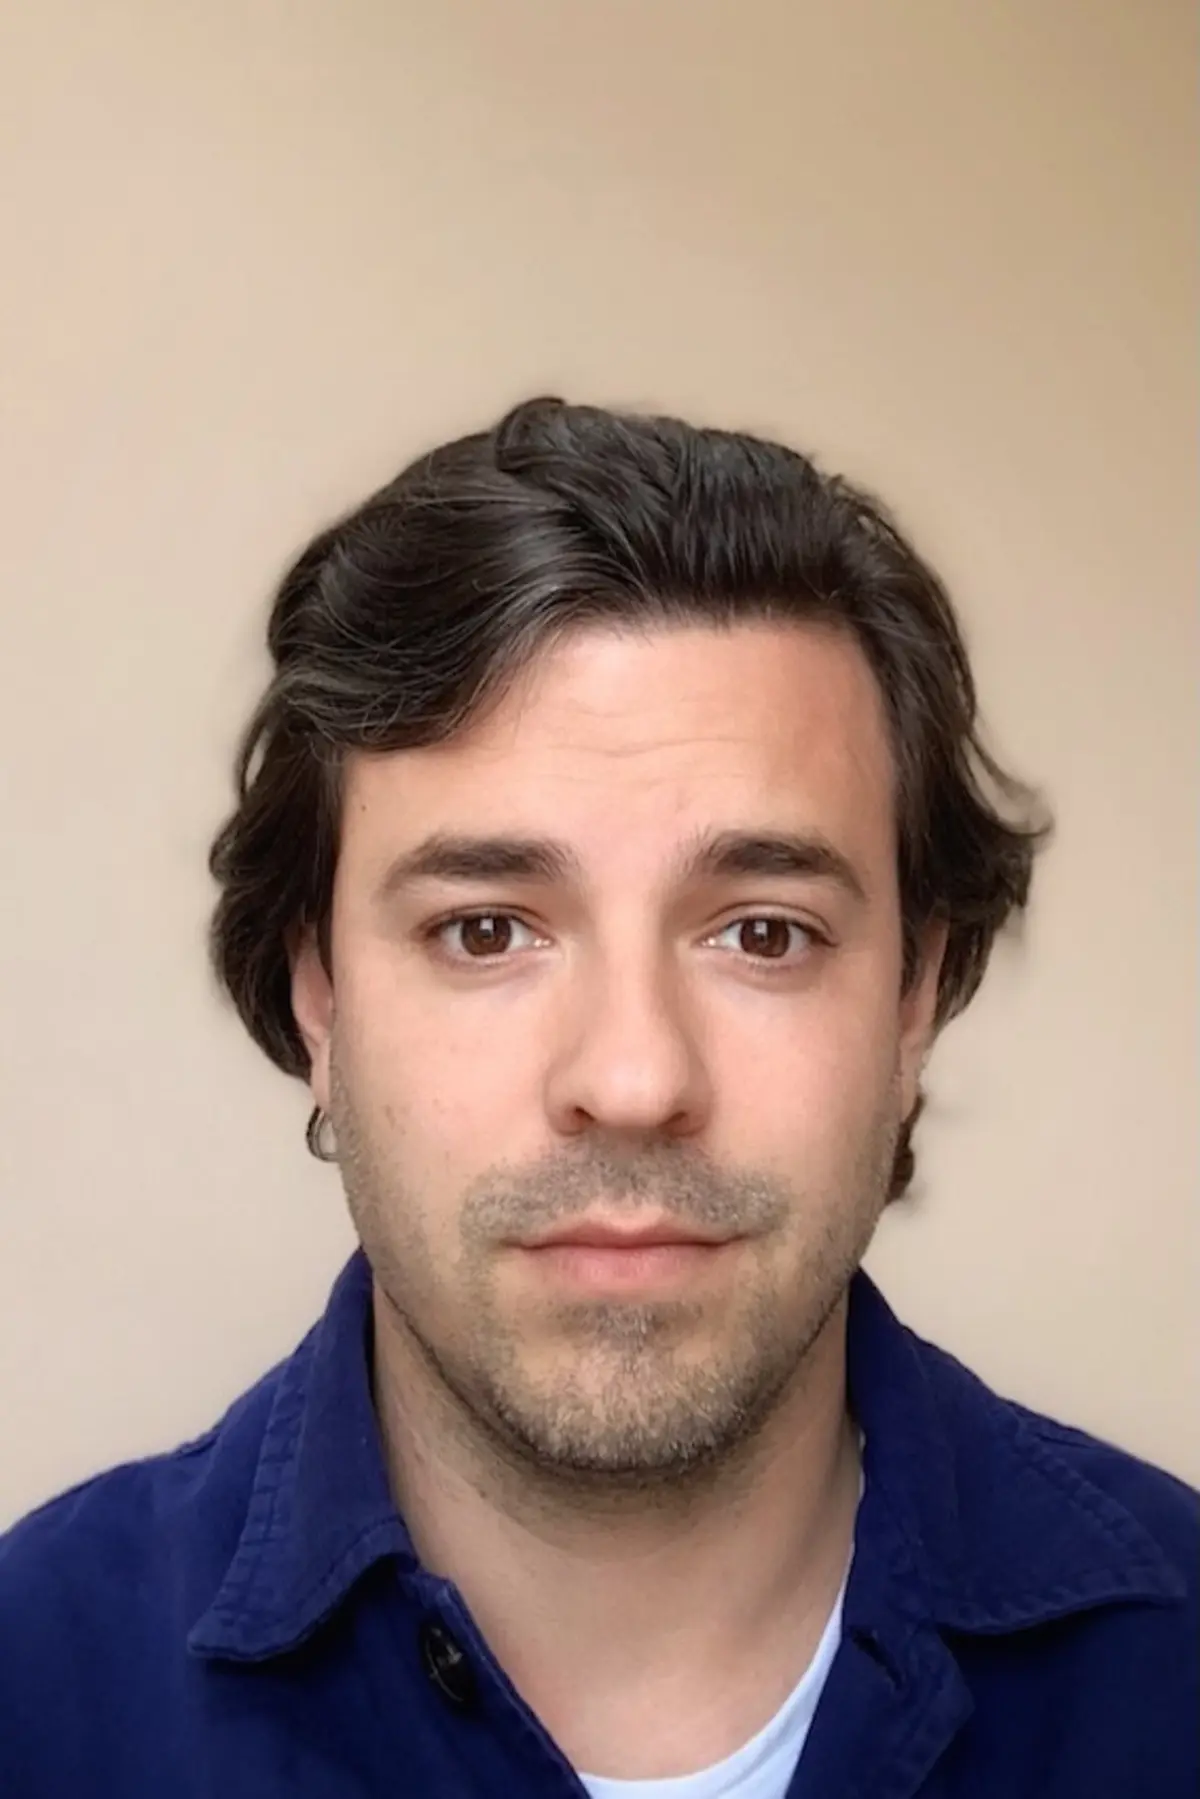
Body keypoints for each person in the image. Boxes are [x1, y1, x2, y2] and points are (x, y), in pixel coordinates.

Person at [1, 399, 1195, 1799]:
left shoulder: (1173, 1675)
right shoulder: (38, 1698)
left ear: (913, 998)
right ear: (320, 997)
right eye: (486, 930)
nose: (633, 1080)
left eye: (763, 932)